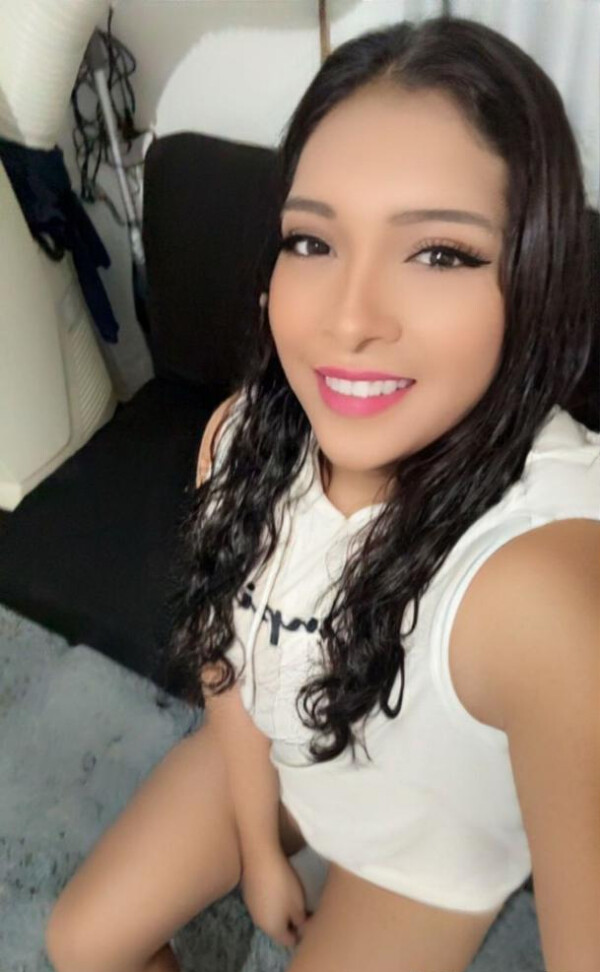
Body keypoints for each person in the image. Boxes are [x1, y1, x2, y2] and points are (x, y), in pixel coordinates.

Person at [45, 14, 600, 972]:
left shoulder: (543, 589)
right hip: (280, 758)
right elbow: (224, 648)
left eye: (439, 253)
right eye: (312, 241)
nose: (349, 319)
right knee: (81, 942)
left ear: (535, 280)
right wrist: (259, 847)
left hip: (420, 855)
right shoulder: (241, 435)